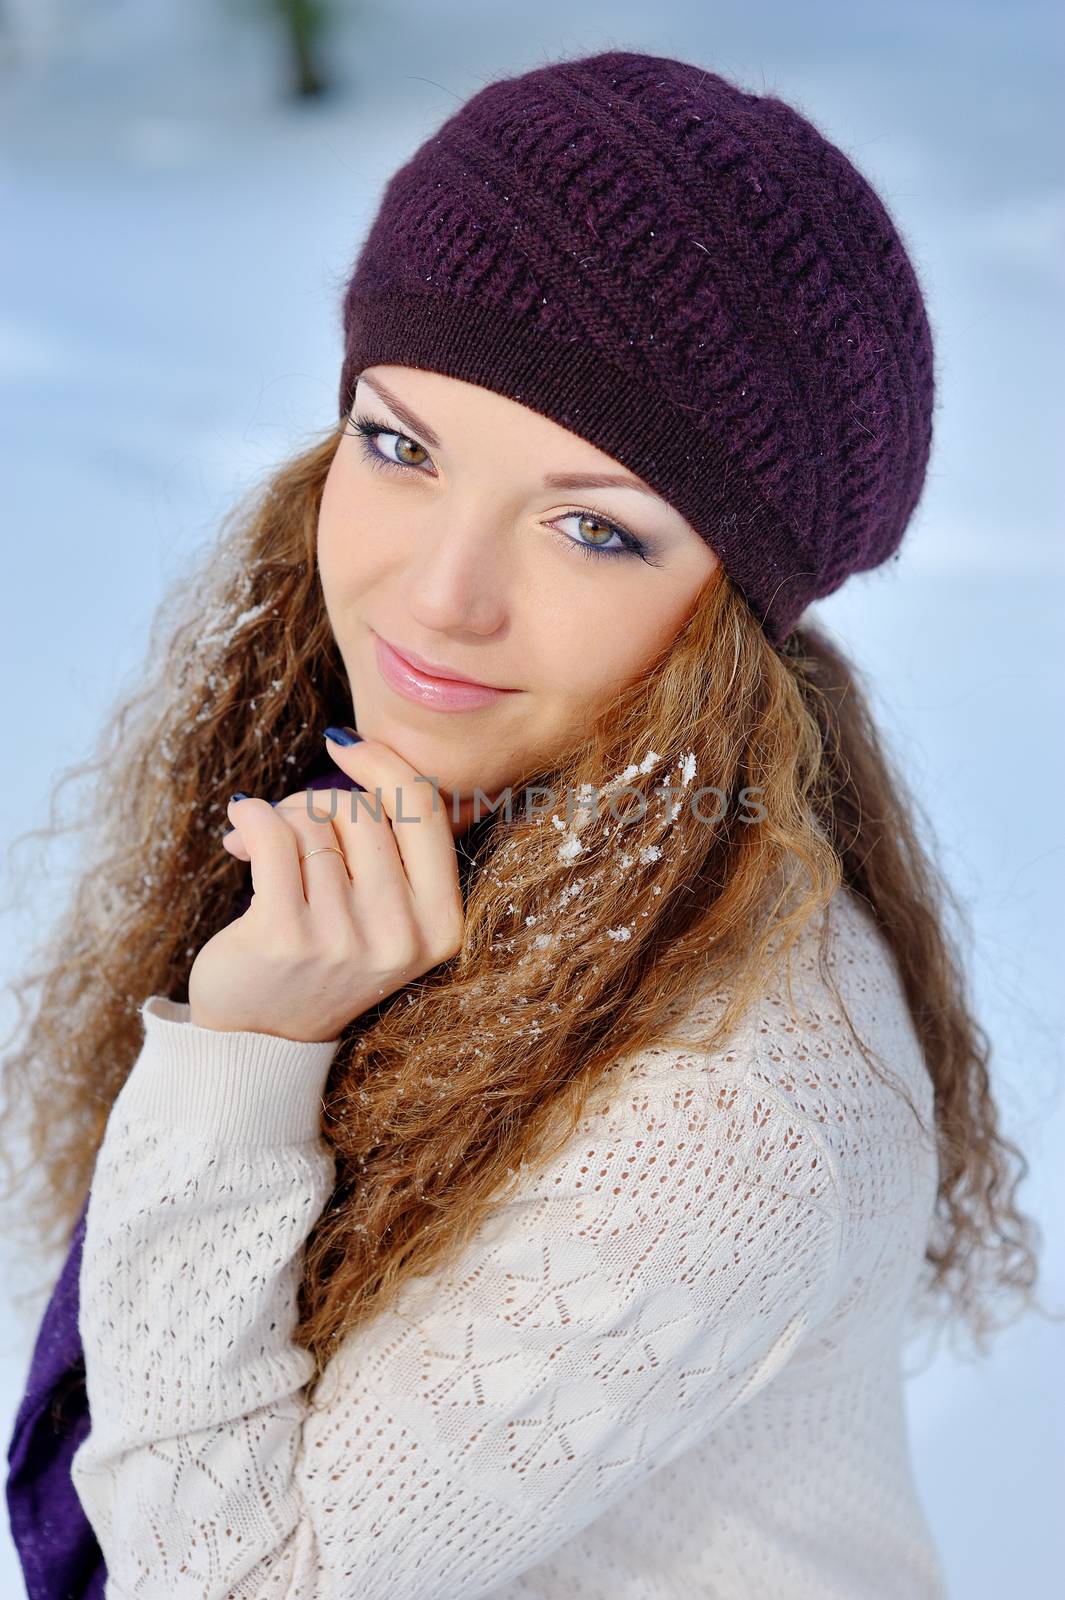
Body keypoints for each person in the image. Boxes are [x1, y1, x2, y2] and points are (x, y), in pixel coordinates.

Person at [2, 47, 1043, 1600]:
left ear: (733, 611)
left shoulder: (725, 1110)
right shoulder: (408, 801)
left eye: (592, 526)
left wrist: (243, 1065)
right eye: (400, 446)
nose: (435, 598)